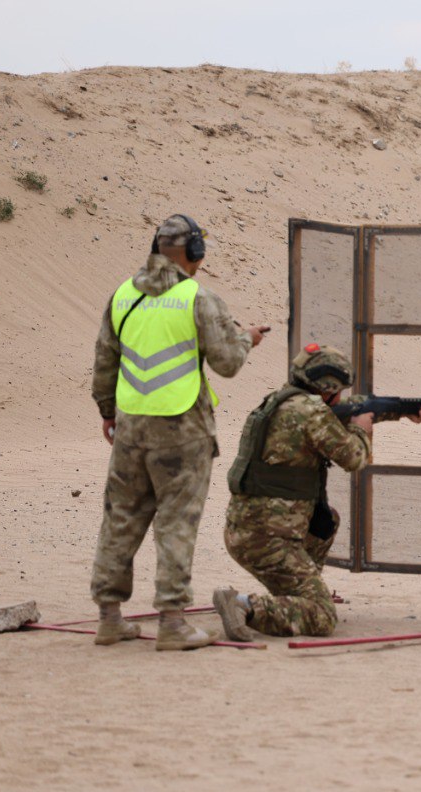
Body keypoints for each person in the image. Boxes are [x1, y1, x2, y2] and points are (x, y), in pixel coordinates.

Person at [90, 214, 270, 651]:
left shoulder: (123, 295)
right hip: (182, 428)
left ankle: (110, 618)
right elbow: (227, 363)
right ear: (195, 254)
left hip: (131, 427)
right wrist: (246, 338)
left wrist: (108, 412)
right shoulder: (198, 298)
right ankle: (172, 622)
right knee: (176, 524)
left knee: (120, 519)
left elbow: (105, 362)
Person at [214, 344, 421, 640]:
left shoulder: (282, 402)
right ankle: (244, 606)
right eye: (338, 390)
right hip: (269, 540)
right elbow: (354, 458)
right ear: (326, 389)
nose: (342, 396)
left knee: (325, 521)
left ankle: (299, 591)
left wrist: (396, 411)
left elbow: (347, 409)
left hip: (249, 531)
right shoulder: (312, 414)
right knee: (322, 616)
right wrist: (361, 428)